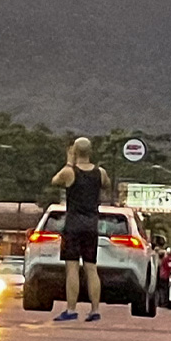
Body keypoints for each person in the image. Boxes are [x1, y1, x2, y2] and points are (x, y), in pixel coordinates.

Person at [49, 137, 111, 322]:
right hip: (92, 225)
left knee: (72, 268)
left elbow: (55, 180)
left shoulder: (70, 172)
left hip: (74, 225)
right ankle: (95, 309)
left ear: (75, 151)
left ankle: (71, 309)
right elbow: (106, 184)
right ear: (90, 152)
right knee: (92, 268)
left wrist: (69, 161)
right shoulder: (100, 172)